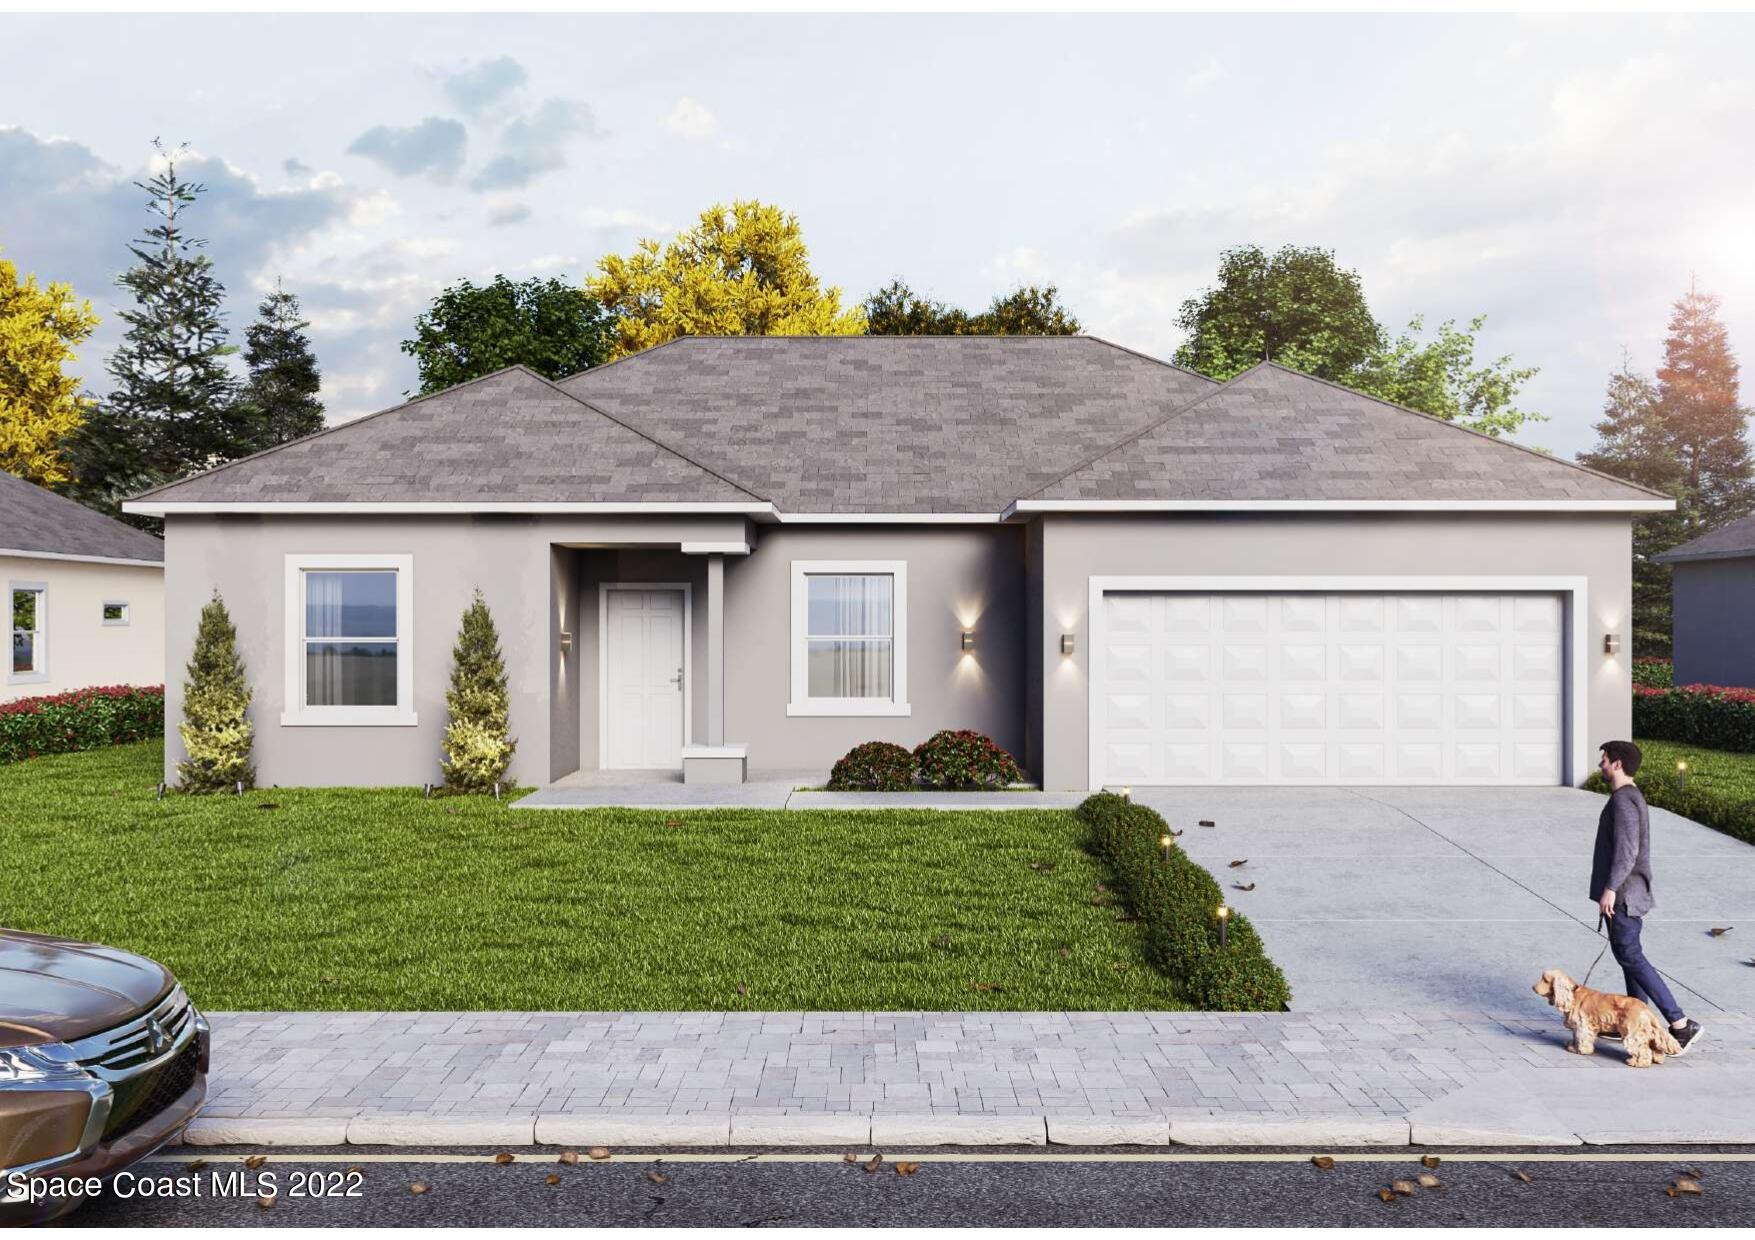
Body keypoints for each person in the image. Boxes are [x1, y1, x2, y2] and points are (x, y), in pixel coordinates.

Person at [1591, 740, 1703, 1054]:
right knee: (1628, 957)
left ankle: (1680, 1023)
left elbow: (1627, 852)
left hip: (1625, 895)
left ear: (1617, 764)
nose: (1601, 765)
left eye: (1604, 760)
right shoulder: (1629, 797)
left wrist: (1610, 888)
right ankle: (1636, 1023)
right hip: (1627, 894)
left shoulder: (1624, 801)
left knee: (1631, 956)